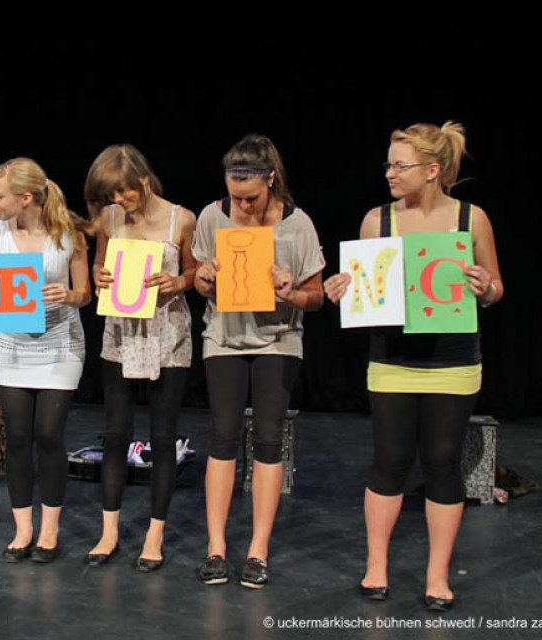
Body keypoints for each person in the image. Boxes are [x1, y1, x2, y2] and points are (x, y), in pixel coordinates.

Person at [323, 121, 502, 611]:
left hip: (453, 361)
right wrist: (343, 290)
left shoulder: (470, 218)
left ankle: (437, 575)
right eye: (388, 164)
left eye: (399, 165)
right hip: (393, 361)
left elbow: (495, 288)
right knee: (390, 460)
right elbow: (367, 290)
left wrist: (484, 287)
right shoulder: (376, 221)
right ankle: (376, 566)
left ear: (432, 169)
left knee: (443, 462)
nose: (389, 173)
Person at [193, 134, 325, 587]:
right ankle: (215, 547)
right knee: (223, 435)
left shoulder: (298, 224)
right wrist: (203, 280)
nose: (242, 207)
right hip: (225, 339)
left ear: (270, 180)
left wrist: (293, 292)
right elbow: (197, 276)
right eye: (234, 197)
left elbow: (318, 296)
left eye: (250, 198)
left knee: (268, 439)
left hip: (277, 340)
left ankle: (258, 550)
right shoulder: (213, 216)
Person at [81, 144, 196, 571]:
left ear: (143, 182)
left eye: (125, 193)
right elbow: (97, 266)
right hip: (121, 333)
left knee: (163, 439)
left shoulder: (180, 218)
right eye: (112, 196)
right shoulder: (109, 219)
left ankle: (154, 534)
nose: (120, 202)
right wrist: (99, 275)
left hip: (167, 335)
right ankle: (109, 532)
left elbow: (196, 274)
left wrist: (177, 280)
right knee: (115, 434)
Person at [0, 157, 90, 563]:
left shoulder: (68, 234)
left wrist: (68, 295)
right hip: (14, 347)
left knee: (48, 435)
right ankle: (23, 529)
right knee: (18, 437)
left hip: (60, 346)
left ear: (25, 198)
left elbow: (86, 293)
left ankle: (50, 530)